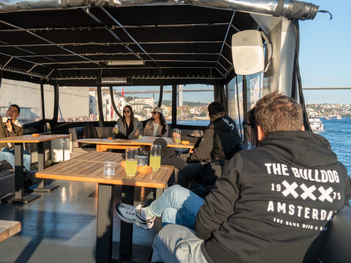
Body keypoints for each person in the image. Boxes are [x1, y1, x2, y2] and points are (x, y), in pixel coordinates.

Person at [116, 91, 351, 263]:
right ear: (301, 127)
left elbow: (205, 227)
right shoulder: (338, 173)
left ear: (259, 131)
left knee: (164, 234)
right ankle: (146, 214)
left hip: (226, 256)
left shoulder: (247, 163)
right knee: (168, 211)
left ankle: (145, 215)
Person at [177, 101, 242, 188]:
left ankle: (181, 197)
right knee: (184, 157)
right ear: (224, 113)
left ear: (209, 115)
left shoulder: (213, 129)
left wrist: (189, 159)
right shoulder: (230, 123)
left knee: (183, 170)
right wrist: (184, 138)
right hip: (232, 163)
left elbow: (201, 155)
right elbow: (209, 143)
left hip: (218, 166)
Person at [0, 104, 33, 184]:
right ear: (7, 111)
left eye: (14, 111)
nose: (11, 112)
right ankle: (22, 174)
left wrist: (11, 131)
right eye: (10, 110)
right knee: (7, 153)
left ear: (18, 115)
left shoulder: (19, 128)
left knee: (27, 155)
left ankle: (25, 178)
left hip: (12, 150)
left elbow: (16, 143)